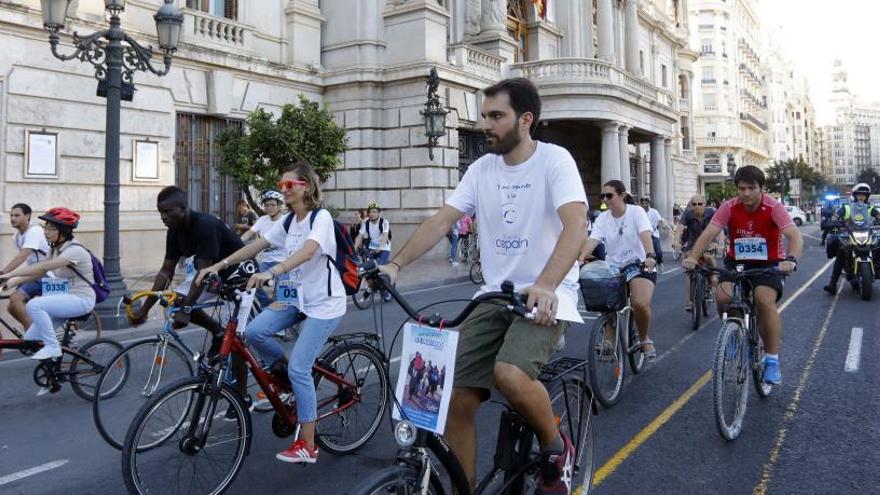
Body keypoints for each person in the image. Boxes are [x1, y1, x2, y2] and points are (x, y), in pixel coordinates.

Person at [379, 78, 587, 494]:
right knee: (451, 395)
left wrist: (546, 284)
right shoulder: (481, 169)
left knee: (509, 374)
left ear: (525, 120)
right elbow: (442, 221)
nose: (485, 124)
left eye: (496, 116)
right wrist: (395, 264)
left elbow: (576, 224)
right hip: (494, 295)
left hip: (546, 295)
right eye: (484, 115)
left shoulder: (554, 161)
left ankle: (555, 448)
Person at [196, 160, 346, 466]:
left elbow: (308, 251)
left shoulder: (321, 218)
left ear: (306, 186)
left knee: (300, 369)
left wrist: (273, 271)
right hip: (296, 299)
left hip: (324, 303)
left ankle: (308, 443)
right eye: (281, 186)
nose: (284, 190)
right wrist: (220, 264)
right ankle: (291, 376)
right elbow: (256, 244)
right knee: (253, 332)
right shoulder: (288, 221)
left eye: (289, 185)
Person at [128, 186, 250, 404]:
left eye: (168, 212)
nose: (164, 217)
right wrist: (144, 309)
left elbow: (202, 273)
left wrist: (187, 310)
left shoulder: (205, 225)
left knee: (235, 340)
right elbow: (166, 271)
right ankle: (217, 331)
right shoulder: (174, 231)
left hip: (239, 274)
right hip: (211, 275)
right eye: (160, 213)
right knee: (174, 300)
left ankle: (242, 395)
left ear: (184, 208)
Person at [683, 165, 802, 385]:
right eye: (741, 188)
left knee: (764, 300)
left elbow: (794, 236)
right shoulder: (729, 206)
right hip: (737, 263)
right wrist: (692, 257)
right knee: (723, 297)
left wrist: (791, 260)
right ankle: (736, 336)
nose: (745, 193)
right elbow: (709, 232)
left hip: (769, 264)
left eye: (751, 188)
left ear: (761, 188)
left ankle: (772, 360)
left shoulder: (773, 207)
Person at [0, 208, 95, 366]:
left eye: (52, 228)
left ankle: (53, 346)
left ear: (63, 231)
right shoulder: (54, 249)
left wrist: (8, 274)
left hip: (82, 299)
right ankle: (53, 376)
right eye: (46, 227)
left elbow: (43, 267)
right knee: (31, 339)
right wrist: (9, 283)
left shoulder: (74, 250)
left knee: (34, 305)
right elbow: (38, 273)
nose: (46, 232)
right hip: (64, 294)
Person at [581, 181, 658, 360]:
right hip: (614, 266)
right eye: (602, 196)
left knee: (640, 304)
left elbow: (645, 235)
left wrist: (650, 255)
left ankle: (644, 338)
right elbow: (592, 241)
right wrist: (579, 258)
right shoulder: (602, 218)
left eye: (609, 195)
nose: (605, 200)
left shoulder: (636, 212)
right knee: (605, 301)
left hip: (639, 264)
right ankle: (609, 339)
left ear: (622, 196)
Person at [823, 183, 880, 294]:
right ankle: (832, 284)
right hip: (849, 235)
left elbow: (878, 216)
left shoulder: (870, 208)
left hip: (867, 233)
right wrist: (834, 222)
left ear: (867, 197)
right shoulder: (847, 207)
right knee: (841, 252)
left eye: (864, 195)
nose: (861, 197)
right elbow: (836, 216)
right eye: (859, 194)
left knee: (878, 245)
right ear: (854, 195)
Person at [1, 203, 50, 329]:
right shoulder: (17, 236)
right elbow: (26, 261)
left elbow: (22, 256)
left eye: (17, 215)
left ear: (27, 216)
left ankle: (33, 338)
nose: (12, 218)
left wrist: (3, 273)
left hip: (48, 275)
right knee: (12, 307)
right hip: (34, 274)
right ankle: (33, 330)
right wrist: (6, 278)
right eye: (11, 215)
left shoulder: (34, 231)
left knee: (15, 299)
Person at [242, 190, 286, 307]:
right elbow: (248, 233)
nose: (269, 208)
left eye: (272, 205)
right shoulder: (262, 220)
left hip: (283, 261)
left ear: (279, 205)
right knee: (252, 280)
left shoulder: (285, 220)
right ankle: (266, 305)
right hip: (266, 261)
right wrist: (237, 243)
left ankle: (279, 313)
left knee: (280, 293)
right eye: (266, 205)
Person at [679, 194, 718, 312]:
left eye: (700, 204)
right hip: (692, 245)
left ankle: (713, 278)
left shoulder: (712, 212)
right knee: (690, 270)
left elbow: (720, 229)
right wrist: (676, 242)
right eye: (694, 204)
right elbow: (680, 228)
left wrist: (720, 244)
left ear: (705, 205)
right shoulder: (687, 214)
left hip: (709, 243)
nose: (697, 206)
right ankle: (691, 301)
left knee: (709, 258)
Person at [354, 202, 393, 302]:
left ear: (379, 213)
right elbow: (359, 237)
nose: (372, 214)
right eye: (370, 212)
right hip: (372, 247)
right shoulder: (366, 223)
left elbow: (385, 236)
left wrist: (379, 248)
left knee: (379, 268)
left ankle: (385, 292)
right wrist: (353, 249)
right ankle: (370, 289)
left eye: (375, 212)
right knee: (368, 270)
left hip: (384, 248)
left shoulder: (384, 222)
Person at [639, 196, 667, 268]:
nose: (644, 205)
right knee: (643, 253)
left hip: (653, 234)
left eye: (646, 203)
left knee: (658, 252)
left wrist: (663, 225)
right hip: (643, 235)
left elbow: (660, 220)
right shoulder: (639, 212)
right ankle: (645, 267)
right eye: (643, 203)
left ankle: (660, 262)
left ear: (649, 203)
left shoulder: (654, 211)